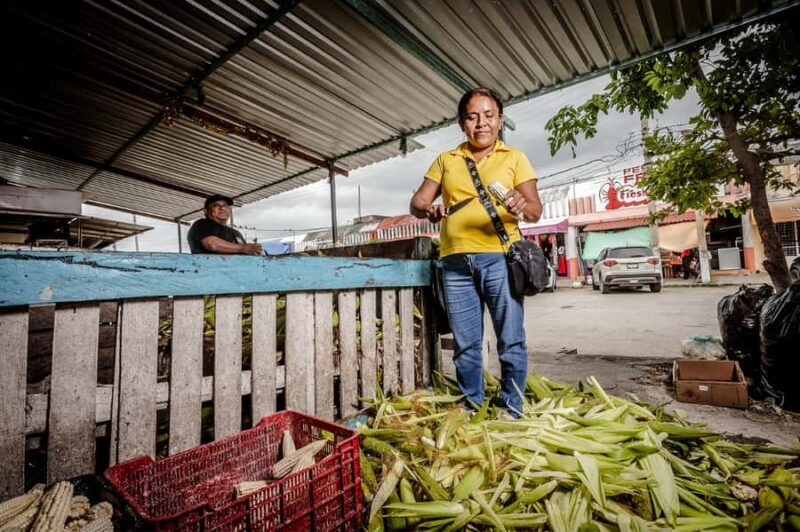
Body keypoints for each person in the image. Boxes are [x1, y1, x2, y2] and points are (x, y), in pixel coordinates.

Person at [410, 87, 543, 417]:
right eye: (472, 117)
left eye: (488, 116)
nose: (481, 123)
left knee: (510, 339)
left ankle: (512, 407)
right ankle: (472, 405)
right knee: (466, 343)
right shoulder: (447, 160)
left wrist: (520, 203)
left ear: (500, 120)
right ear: (462, 123)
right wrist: (429, 210)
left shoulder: (514, 158)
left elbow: (535, 211)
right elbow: (417, 203)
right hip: (455, 263)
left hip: (500, 259)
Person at [188, 194, 263, 255]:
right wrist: (242, 248)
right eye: (216, 205)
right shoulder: (201, 224)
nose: (222, 208)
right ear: (205, 211)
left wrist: (253, 251)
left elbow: (246, 252)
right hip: (209, 268)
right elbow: (212, 244)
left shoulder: (235, 233)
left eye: (226, 205)